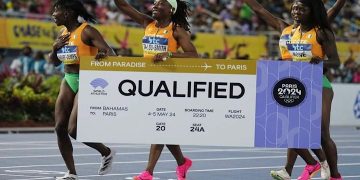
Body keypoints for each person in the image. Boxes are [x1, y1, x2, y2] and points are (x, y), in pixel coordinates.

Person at [243, 0, 344, 179]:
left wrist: (321, 62)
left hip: (318, 84)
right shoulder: (287, 30)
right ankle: (297, 168)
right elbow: (258, 9)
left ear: (311, 11)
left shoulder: (320, 32)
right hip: (292, 85)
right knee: (290, 130)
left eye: (301, 8)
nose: (296, 11)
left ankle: (334, 175)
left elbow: (336, 61)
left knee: (321, 134)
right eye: (294, 8)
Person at [114, 0, 198, 179]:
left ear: (171, 9)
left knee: (158, 126)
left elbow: (193, 55)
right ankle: (182, 162)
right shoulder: (147, 23)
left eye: (161, 4)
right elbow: (123, 6)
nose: (155, 6)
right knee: (162, 127)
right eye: (154, 3)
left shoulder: (176, 29)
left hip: (167, 85)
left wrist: (169, 54)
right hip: (148, 84)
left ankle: (148, 172)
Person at [49, 0, 117, 179]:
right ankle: (71, 173)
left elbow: (109, 51)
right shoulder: (63, 34)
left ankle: (106, 151)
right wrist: (55, 49)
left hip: (88, 79)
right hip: (69, 78)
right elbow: (54, 62)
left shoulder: (87, 31)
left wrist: (102, 55)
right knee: (59, 127)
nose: (53, 14)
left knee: (73, 129)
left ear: (68, 12)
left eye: (56, 10)